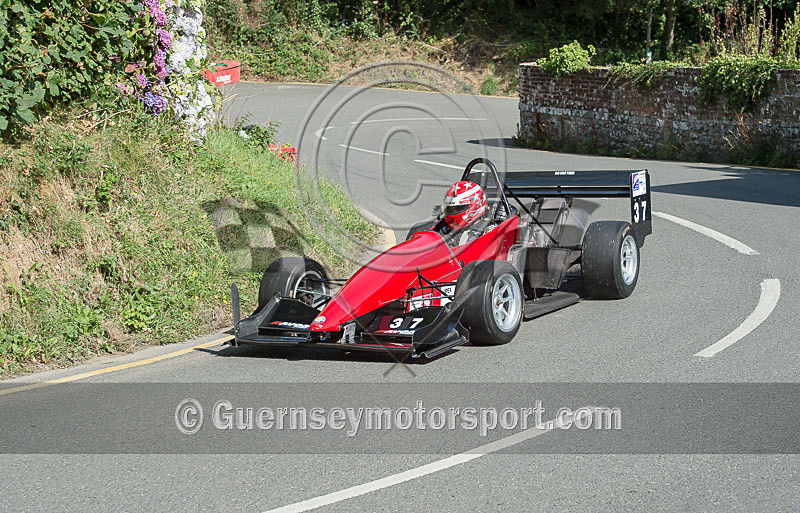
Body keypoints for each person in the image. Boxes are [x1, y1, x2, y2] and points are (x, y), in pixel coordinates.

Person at [441, 180, 488, 246]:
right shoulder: (442, 229)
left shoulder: (489, 233)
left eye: (458, 208)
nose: (453, 212)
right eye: (450, 209)